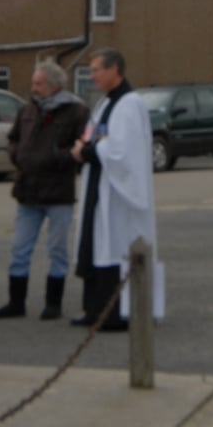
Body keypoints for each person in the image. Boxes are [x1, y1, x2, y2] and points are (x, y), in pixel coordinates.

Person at [0, 60, 90, 320]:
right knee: (20, 248)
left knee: (57, 250)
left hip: (58, 192)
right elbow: (13, 138)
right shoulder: (27, 109)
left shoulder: (76, 111)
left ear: (54, 85)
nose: (33, 88)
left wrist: (54, 157)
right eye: (34, 83)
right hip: (28, 191)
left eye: (38, 83)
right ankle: (16, 302)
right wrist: (17, 155)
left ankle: (53, 303)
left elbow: (82, 146)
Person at [70, 48, 158, 331]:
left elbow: (123, 152)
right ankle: (94, 309)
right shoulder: (106, 102)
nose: (92, 75)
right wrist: (84, 147)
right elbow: (95, 134)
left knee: (113, 246)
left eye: (96, 69)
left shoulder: (129, 104)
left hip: (118, 193)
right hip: (100, 183)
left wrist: (90, 149)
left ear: (114, 70)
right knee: (96, 244)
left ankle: (116, 313)